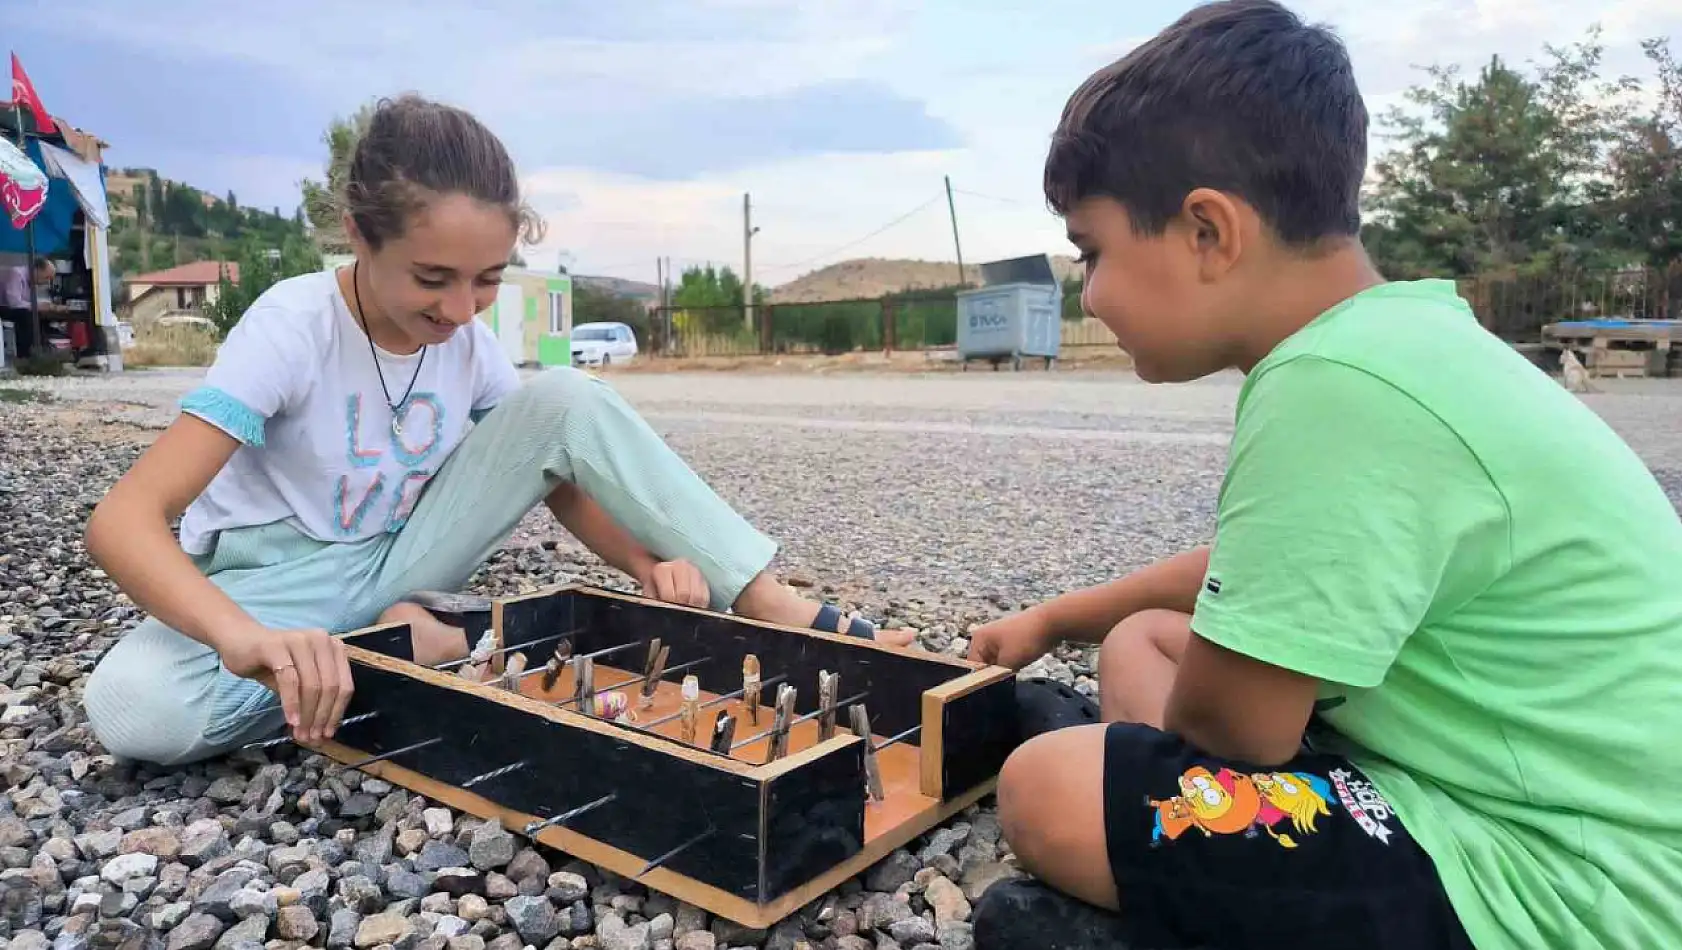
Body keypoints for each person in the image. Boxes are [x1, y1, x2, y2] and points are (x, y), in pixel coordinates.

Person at [965, 3, 1682, 949]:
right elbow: (1268, 569)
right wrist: (1058, 619)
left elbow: (1238, 732)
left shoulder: (1329, 385)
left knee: (1045, 788)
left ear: (1208, 232)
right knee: (1140, 640)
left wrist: (1136, 761)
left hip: (1559, 879)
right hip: (1515, 784)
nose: (1086, 291)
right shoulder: (1399, 343)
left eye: (1091, 251)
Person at [81, 93, 912, 768]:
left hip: (400, 555)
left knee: (563, 395)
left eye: (485, 281)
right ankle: (413, 648)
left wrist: (643, 562)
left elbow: (551, 458)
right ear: (359, 232)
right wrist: (245, 639)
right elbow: (123, 522)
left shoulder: (468, 344)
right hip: (277, 584)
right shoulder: (291, 325)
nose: (456, 309)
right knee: (137, 711)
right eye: (432, 279)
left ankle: (769, 600)